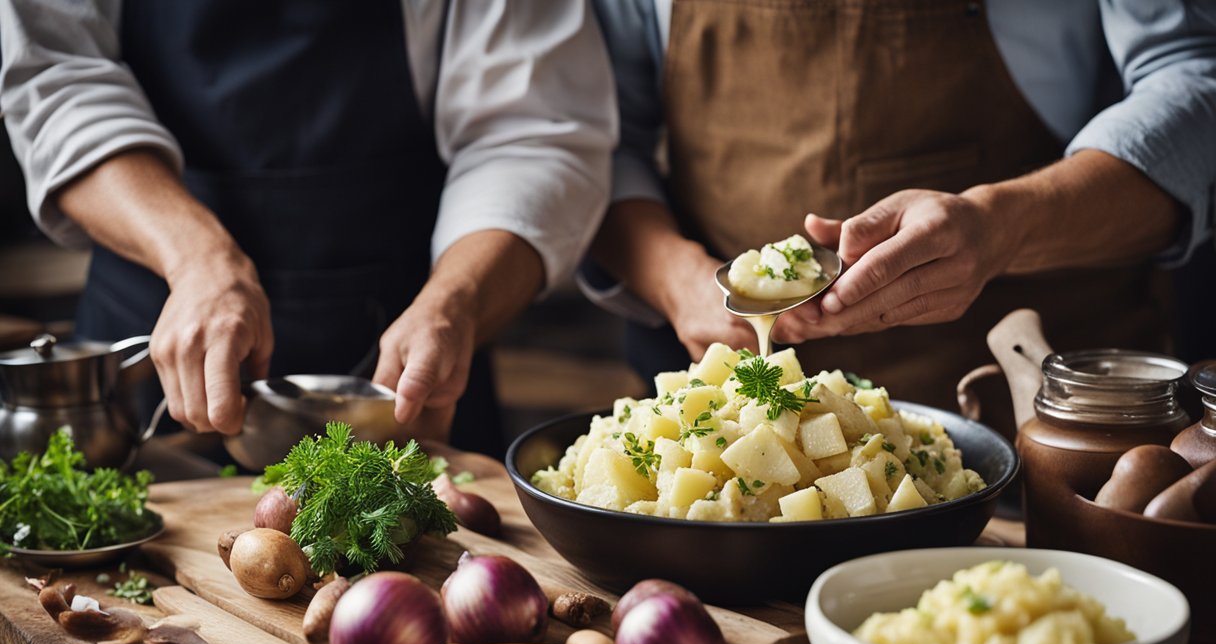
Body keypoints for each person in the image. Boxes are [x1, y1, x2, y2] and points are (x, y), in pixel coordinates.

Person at [0, 0, 615, 457]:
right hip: (151, 337)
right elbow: (54, 77)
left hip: (413, 341)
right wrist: (196, 259)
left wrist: (457, 300)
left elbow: (535, 131)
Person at [586, 0, 1216, 412]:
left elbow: (1196, 78)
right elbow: (595, 138)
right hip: (723, 438)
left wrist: (1005, 225)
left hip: (1040, 412)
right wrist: (676, 279)